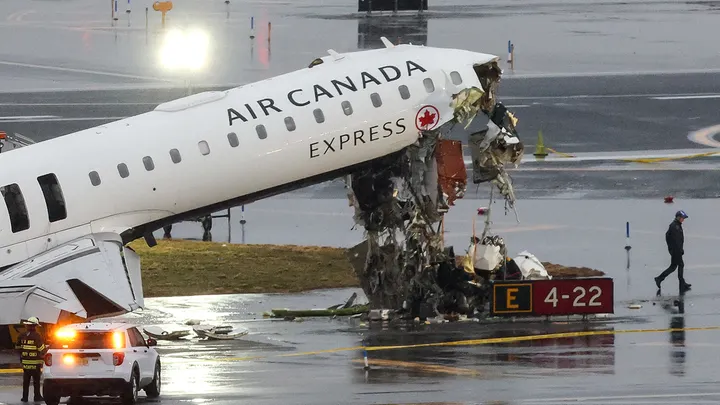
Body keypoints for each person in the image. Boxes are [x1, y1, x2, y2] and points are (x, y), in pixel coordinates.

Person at [655, 210, 691, 292]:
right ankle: (681, 284)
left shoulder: (676, 225)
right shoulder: (675, 226)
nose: (683, 220)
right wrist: (678, 250)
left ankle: (659, 278)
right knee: (680, 265)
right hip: (676, 250)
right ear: (678, 217)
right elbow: (676, 240)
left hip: (675, 250)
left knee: (673, 267)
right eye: (682, 218)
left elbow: (669, 237)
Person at [15, 316, 45, 402]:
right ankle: (37, 396)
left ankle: (25, 397)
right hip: (35, 363)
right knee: (36, 381)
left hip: (25, 363)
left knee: (26, 381)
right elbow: (41, 349)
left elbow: (17, 347)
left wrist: (23, 356)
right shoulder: (37, 336)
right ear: (35, 326)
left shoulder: (21, 335)